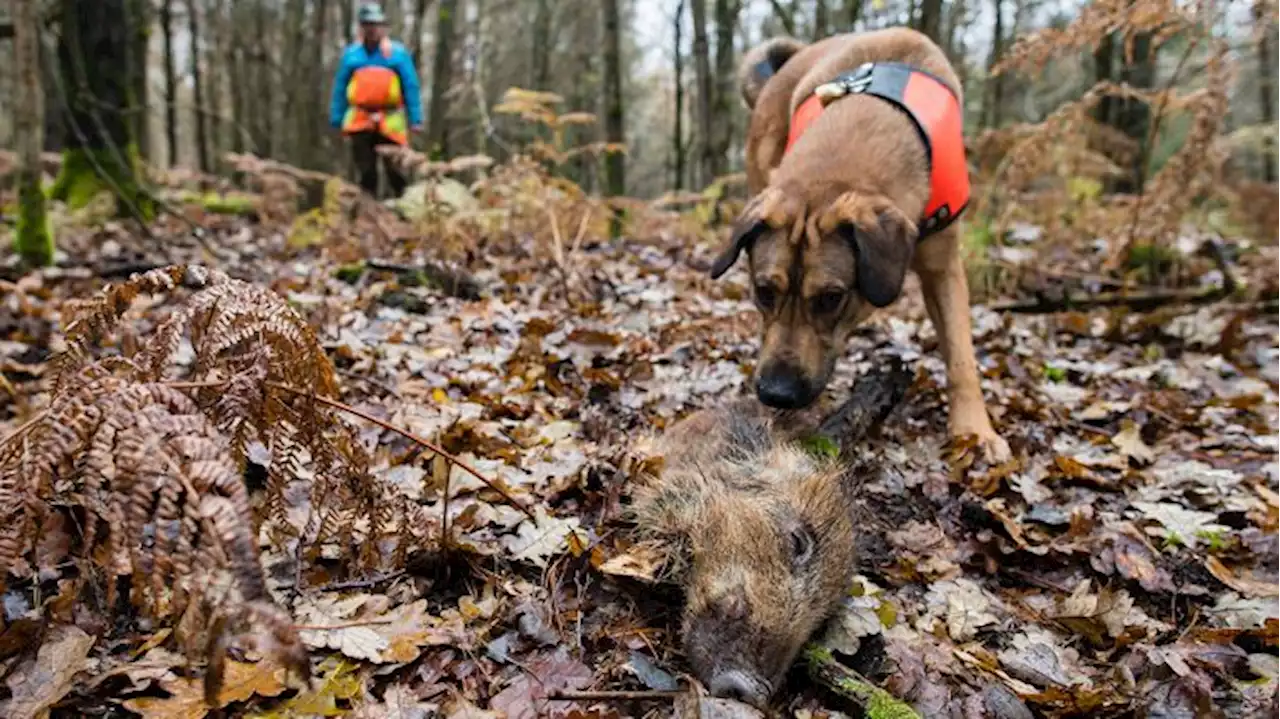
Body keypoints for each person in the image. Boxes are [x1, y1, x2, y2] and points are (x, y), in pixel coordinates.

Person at [329, 3, 423, 199]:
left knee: (396, 170)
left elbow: (410, 86)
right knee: (366, 170)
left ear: (383, 27)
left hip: (391, 119)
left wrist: (416, 119)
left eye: (377, 24)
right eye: (368, 25)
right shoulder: (351, 55)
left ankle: (404, 208)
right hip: (360, 118)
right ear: (361, 28)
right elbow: (340, 88)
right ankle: (368, 211)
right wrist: (337, 117)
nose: (373, 29)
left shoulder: (397, 54)